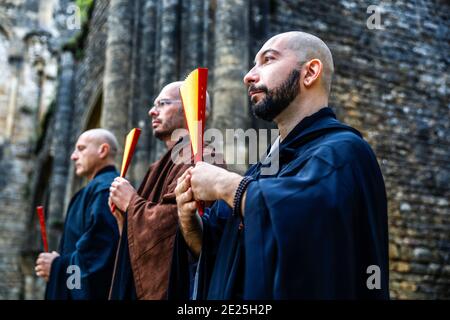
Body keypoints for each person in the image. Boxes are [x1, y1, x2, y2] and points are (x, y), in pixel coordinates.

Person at [172, 31, 389, 299]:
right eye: (253, 64)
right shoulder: (262, 169)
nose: (249, 76)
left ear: (310, 73)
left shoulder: (344, 153)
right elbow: (225, 257)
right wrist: (190, 221)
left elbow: (307, 231)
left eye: (268, 60)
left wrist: (225, 185)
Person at [108, 81, 222, 299]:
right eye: (154, 105)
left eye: (162, 103)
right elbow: (140, 241)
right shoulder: (156, 167)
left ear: (190, 107)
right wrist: (124, 218)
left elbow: (179, 222)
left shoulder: (204, 157)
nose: (152, 111)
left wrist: (131, 203)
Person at [35, 129, 120, 299]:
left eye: (81, 149)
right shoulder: (95, 189)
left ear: (102, 150)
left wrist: (57, 266)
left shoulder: (106, 189)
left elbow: (99, 254)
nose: (73, 156)